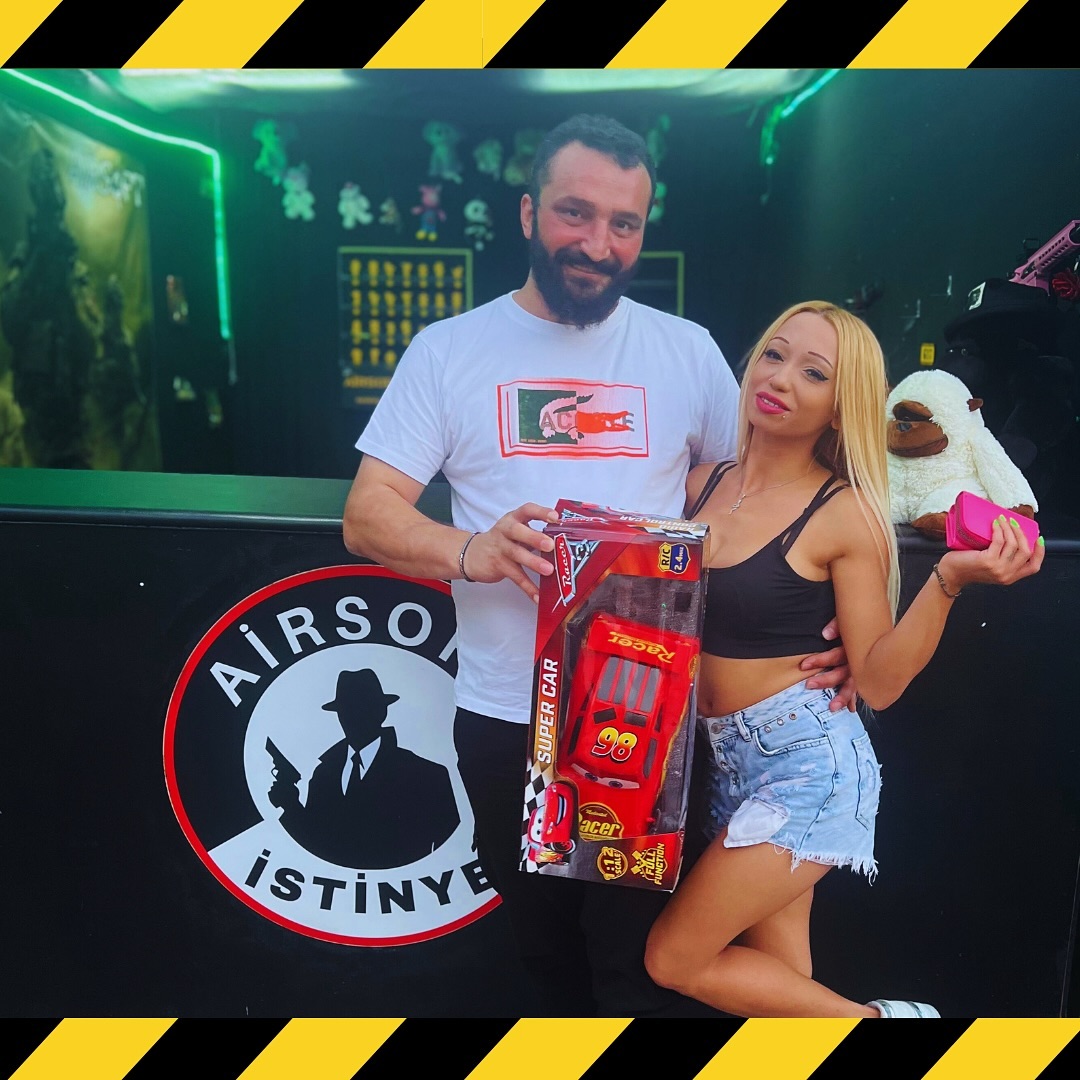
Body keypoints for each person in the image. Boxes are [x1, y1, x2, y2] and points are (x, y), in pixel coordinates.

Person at [342, 114, 853, 1017]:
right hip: (506, 719)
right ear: (528, 212)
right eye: (575, 213)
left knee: (636, 973)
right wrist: (471, 551)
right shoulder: (449, 350)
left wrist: (834, 614)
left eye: (624, 223)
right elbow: (367, 514)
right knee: (543, 962)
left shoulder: (686, 352)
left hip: (652, 721)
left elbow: (762, 495)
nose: (598, 243)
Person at [643, 300, 1044, 1017]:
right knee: (782, 989)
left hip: (805, 768)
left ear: (840, 405)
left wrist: (948, 580)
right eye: (774, 354)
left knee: (674, 959)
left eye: (813, 372)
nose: (779, 378)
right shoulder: (697, 484)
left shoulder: (844, 512)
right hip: (721, 762)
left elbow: (880, 682)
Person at [269, 667, 459, 869]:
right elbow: (314, 842)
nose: (352, 717)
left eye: (362, 708)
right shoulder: (324, 774)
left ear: (381, 712)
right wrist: (290, 805)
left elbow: (450, 849)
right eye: (346, 710)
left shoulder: (427, 775)